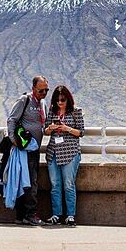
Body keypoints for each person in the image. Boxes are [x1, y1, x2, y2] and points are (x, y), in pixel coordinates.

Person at [7, 75, 48, 226]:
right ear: (33, 88)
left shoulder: (42, 103)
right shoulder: (24, 100)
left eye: (46, 91)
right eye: (41, 91)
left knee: (30, 180)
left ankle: (23, 215)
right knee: (29, 181)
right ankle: (28, 215)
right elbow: (12, 119)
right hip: (24, 149)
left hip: (34, 149)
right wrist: (14, 139)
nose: (43, 94)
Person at [43, 85, 85, 226]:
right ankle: (56, 214)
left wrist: (67, 129)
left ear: (68, 99)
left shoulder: (76, 112)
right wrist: (51, 128)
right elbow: (46, 131)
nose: (60, 103)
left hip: (70, 152)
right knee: (55, 184)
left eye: (62, 100)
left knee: (68, 184)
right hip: (53, 152)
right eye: (57, 100)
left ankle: (70, 215)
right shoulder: (52, 112)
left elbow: (81, 132)